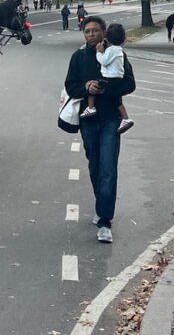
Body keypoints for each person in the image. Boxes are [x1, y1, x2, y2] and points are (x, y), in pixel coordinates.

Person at [64, 16, 136, 243]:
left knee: (107, 167)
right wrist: (86, 87)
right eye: (87, 31)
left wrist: (106, 88)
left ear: (104, 33)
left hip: (111, 119)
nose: (91, 34)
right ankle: (100, 204)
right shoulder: (79, 57)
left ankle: (105, 221)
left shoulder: (116, 53)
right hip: (89, 119)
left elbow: (130, 83)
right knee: (95, 165)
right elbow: (70, 86)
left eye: (95, 31)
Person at [80, 23, 134, 133]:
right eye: (87, 31)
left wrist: (99, 53)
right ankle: (125, 117)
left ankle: (90, 108)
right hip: (118, 78)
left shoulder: (110, 50)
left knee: (93, 86)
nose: (91, 35)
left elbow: (103, 61)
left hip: (110, 78)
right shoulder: (119, 50)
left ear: (106, 36)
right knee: (115, 99)